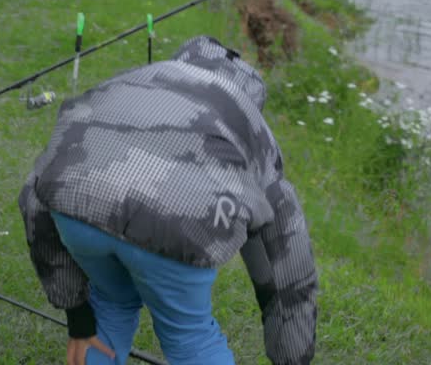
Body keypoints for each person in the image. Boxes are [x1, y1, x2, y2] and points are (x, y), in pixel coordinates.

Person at [19, 36, 318, 365]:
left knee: (110, 303)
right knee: (189, 336)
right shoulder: (249, 119)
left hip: (73, 205)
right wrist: (292, 358)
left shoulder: (135, 77)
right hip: (177, 222)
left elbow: (34, 196)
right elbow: (287, 259)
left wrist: (77, 312)